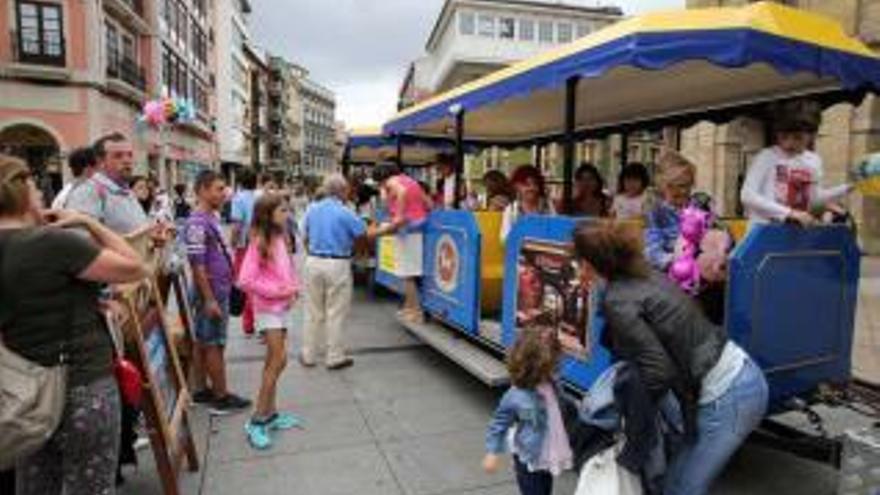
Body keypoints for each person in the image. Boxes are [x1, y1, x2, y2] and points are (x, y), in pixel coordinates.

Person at [572, 221, 768, 495]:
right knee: (672, 480)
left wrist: (634, 442)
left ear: (588, 265)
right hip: (732, 377)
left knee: (680, 488)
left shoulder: (618, 299)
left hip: (730, 394)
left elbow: (657, 371)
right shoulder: (642, 274)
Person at [0, 154, 149, 495]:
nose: (41, 196)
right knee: (90, 484)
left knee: (38, 483)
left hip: (21, 394)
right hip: (81, 384)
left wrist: (85, 302)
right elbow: (135, 265)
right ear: (21, 193)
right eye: (36, 189)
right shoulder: (51, 243)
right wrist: (88, 222)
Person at [236, 193, 302, 449]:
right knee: (278, 360)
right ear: (268, 214)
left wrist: (293, 287)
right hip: (268, 309)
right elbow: (245, 280)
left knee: (274, 361)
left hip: (281, 307)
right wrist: (280, 291)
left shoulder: (279, 238)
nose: (287, 214)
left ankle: (271, 414)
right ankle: (256, 420)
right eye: (282, 210)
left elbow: (286, 269)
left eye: (287, 209)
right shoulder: (259, 241)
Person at [184, 170, 251, 414]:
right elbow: (197, 264)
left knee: (205, 342)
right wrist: (210, 298)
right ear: (202, 190)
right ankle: (220, 397)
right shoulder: (197, 223)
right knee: (214, 343)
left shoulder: (209, 217)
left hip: (218, 289)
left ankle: (202, 390)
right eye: (218, 189)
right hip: (210, 293)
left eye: (224, 188)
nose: (224, 194)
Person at [482, 326, 572, 495]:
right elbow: (499, 422)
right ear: (536, 367)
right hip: (530, 456)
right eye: (554, 364)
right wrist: (492, 451)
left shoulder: (553, 382)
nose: (557, 367)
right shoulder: (516, 395)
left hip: (550, 449)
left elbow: (562, 406)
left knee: (545, 488)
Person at [741, 100, 852, 227]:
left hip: (797, 233)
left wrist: (849, 187)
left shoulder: (814, 161)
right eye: (783, 137)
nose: (789, 143)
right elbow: (747, 195)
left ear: (812, 135)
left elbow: (814, 198)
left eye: (798, 137)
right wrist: (789, 213)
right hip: (765, 232)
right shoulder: (767, 156)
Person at [301, 174, 370, 369]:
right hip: (337, 263)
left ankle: (308, 355)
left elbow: (303, 235)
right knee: (336, 312)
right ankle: (334, 356)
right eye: (346, 189)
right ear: (340, 191)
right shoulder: (345, 211)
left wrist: (311, 254)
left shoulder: (312, 208)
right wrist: (358, 254)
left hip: (313, 260)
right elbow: (362, 234)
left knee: (312, 311)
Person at [371, 163, 432, 323]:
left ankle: (416, 312)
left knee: (408, 274)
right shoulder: (411, 181)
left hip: (407, 229)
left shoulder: (392, 182)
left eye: (379, 183)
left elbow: (401, 192)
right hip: (418, 226)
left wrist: (398, 214)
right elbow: (428, 204)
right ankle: (410, 308)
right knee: (411, 273)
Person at [644, 151, 698, 272]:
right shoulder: (657, 212)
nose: (683, 191)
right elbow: (652, 251)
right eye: (674, 186)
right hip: (671, 272)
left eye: (686, 185)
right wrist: (675, 262)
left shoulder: (698, 207)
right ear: (662, 186)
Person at [230, 169, 258, 337]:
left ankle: (248, 324)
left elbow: (237, 225)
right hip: (260, 244)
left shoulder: (239, 198)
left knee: (245, 283)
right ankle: (262, 320)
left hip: (244, 246)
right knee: (259, 281)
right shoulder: (260, 196)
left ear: (240, 182)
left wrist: (232, 242)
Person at [500, 165, 555, 244]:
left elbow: (555, 232)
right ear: (517, 186)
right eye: (526, 185)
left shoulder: (548, 206)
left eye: (535, 184)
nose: (531, 188)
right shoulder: (511, 210)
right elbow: (505, 238)